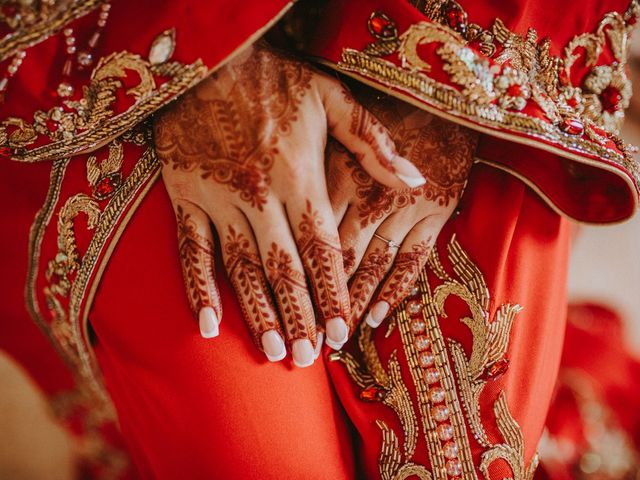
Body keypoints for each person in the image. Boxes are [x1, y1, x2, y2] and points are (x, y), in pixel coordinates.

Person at [0, 0, 638, 478]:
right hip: (142, 41)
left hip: (480, 39)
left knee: (461, 460)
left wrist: (443, 78)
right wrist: (203, 49)